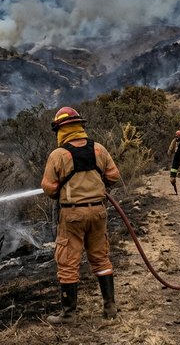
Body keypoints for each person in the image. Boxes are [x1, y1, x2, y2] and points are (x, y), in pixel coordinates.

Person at [41, 106, 121, 324]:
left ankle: (68, 315)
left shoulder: (58, 155)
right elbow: (114, 175)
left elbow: (48, 187)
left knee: (68, 261)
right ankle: (110, 308)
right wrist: (99, 186)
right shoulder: (99, 149)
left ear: (60, 130)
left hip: (72, 215)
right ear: (80, 126)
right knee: (101, 258)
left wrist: (62, 189)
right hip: (98, 212)